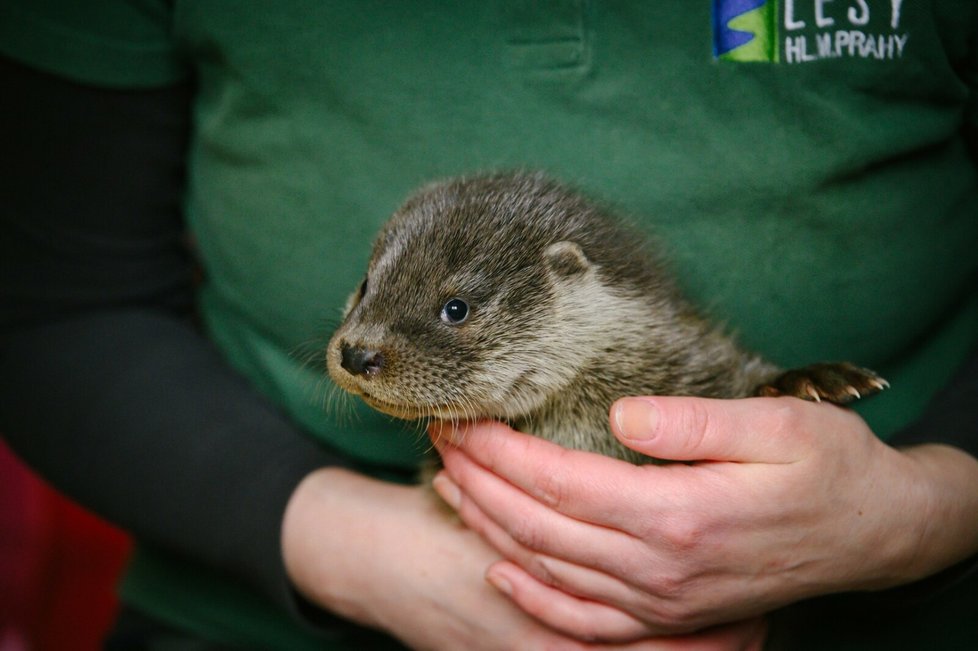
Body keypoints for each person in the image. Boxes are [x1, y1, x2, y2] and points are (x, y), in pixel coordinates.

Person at [0, 2, 975, 650]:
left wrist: (929, 508)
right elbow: (49, 306)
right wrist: (370, 557)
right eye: (366, 297)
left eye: (456, 313)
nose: (356, 348)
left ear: (570, 284)